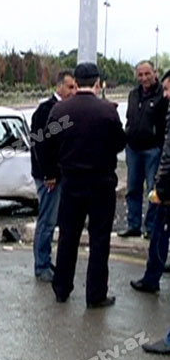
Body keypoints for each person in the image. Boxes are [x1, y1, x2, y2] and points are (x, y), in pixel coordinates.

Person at [41, 62, 126, 308]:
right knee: (99, 240)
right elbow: (120, 143)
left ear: (76, 83)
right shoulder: (107, 112)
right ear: (98, 83)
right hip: (101, 183)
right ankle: (95, 294)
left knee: (68, 237)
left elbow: (47, 144)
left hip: (71, 183)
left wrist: (51, 171)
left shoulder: (61, 111)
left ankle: (61, 288)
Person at [30, 69, 77, 282]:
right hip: (48, 176)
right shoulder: (45, 110)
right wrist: (49, 173)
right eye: (70, 87)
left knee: (53, 221)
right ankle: (41, 266)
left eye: (75, 87)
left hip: (60, 173)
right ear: (59, 86)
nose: (74, 91)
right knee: (47, 222)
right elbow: (40, 144)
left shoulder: (67, 110)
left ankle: (46, 260)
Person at [130, 70, 170, 293]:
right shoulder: (134, 95)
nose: (165, 94)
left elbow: (168, 152)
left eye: (168, 89)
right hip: (137, 148)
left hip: (166, 182)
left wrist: (161, 183)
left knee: (159, 232)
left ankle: (151, 277)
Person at [118, 61, 168, 239]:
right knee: (133, 188)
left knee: (153, 190)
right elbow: (129, 120)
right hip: (133, 149)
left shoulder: (162, 95)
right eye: (140, 75)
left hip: (152, 149)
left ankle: (151, 226)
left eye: (147, 74)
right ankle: (133, 225)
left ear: (155, 73)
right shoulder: (133, 95)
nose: (144, 78)